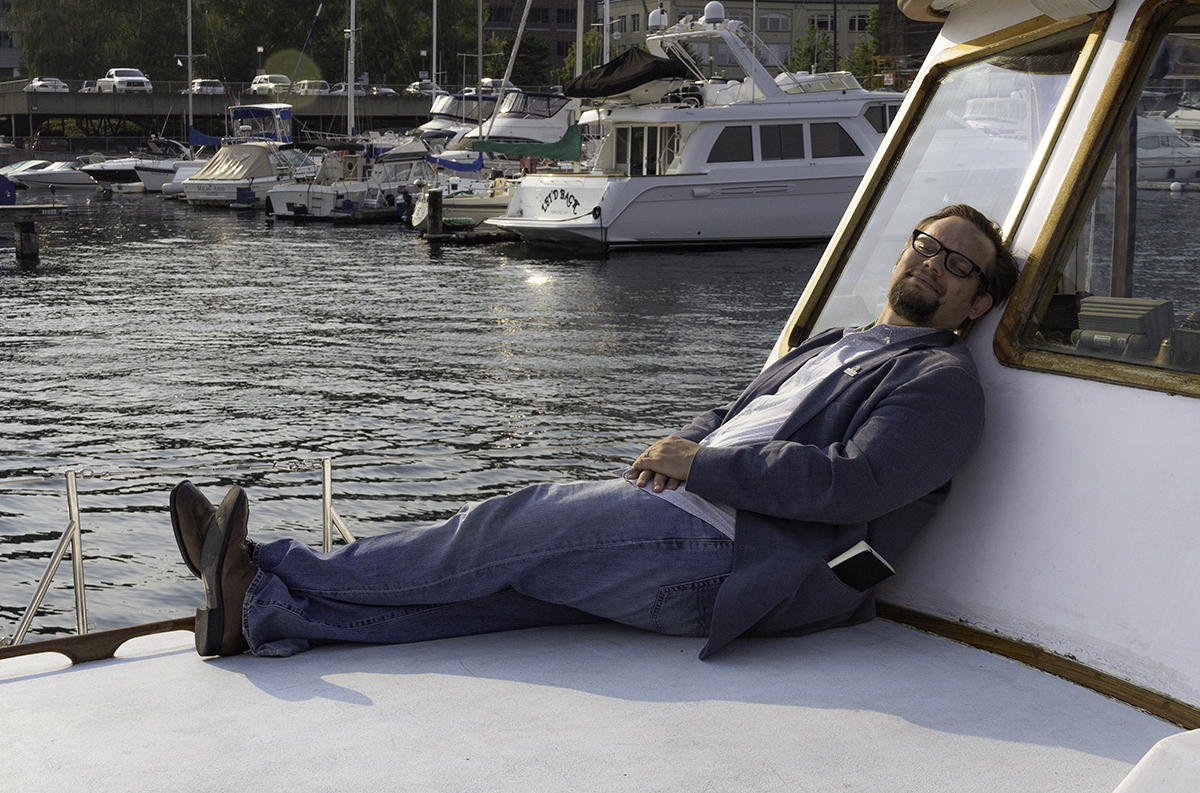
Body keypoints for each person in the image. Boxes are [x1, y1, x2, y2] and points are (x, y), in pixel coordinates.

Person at [170, 204, 1020, 659]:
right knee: (499, 599)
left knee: (505, 524)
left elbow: (855, 485)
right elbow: (729, 414)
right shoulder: (841, 340)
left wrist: (705, 466)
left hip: (738, 558)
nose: (930, 264)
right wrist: (679, 447)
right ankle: (263, 616)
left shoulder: (939, 380)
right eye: (925, 244)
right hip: (689, 518)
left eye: (958, 264)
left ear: (976, 303)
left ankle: (269, 564)